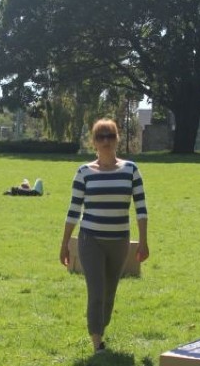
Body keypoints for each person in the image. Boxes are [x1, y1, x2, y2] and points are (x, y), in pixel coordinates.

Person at [59, 118, 149, 353]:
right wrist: (65, 244)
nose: (106, 141)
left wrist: (143, 241)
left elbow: (141, 208)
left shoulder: (131, 170)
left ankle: (101, 328)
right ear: (94, 142)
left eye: (110, 135)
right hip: (90, 239)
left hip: (119, 241)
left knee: (109, 293)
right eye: (101, 137)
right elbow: (73, 211)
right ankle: (97, 342)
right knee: (96, 291)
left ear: (117, 138)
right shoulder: (84, 172)